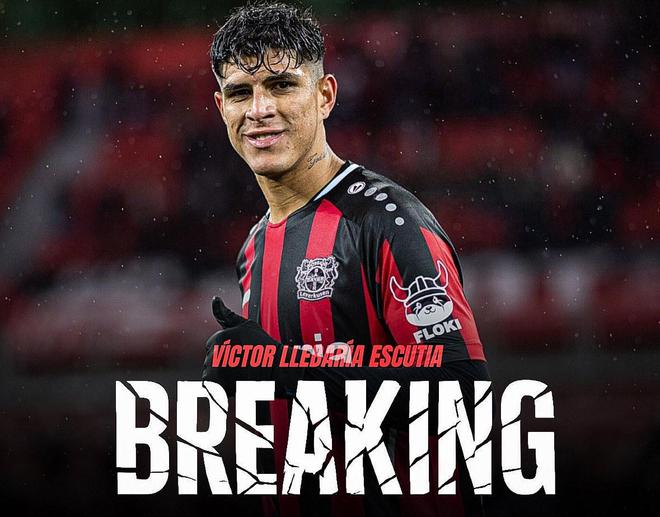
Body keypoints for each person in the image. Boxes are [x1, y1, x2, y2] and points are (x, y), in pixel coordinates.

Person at [203, 2, 490, 516]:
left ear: (325, 96)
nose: (259, 109)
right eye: (242, 92)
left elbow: (460, 394)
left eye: (282, 85)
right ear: (221, 106)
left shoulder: (389, 223)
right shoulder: (253, 247)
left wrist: (285, 369)